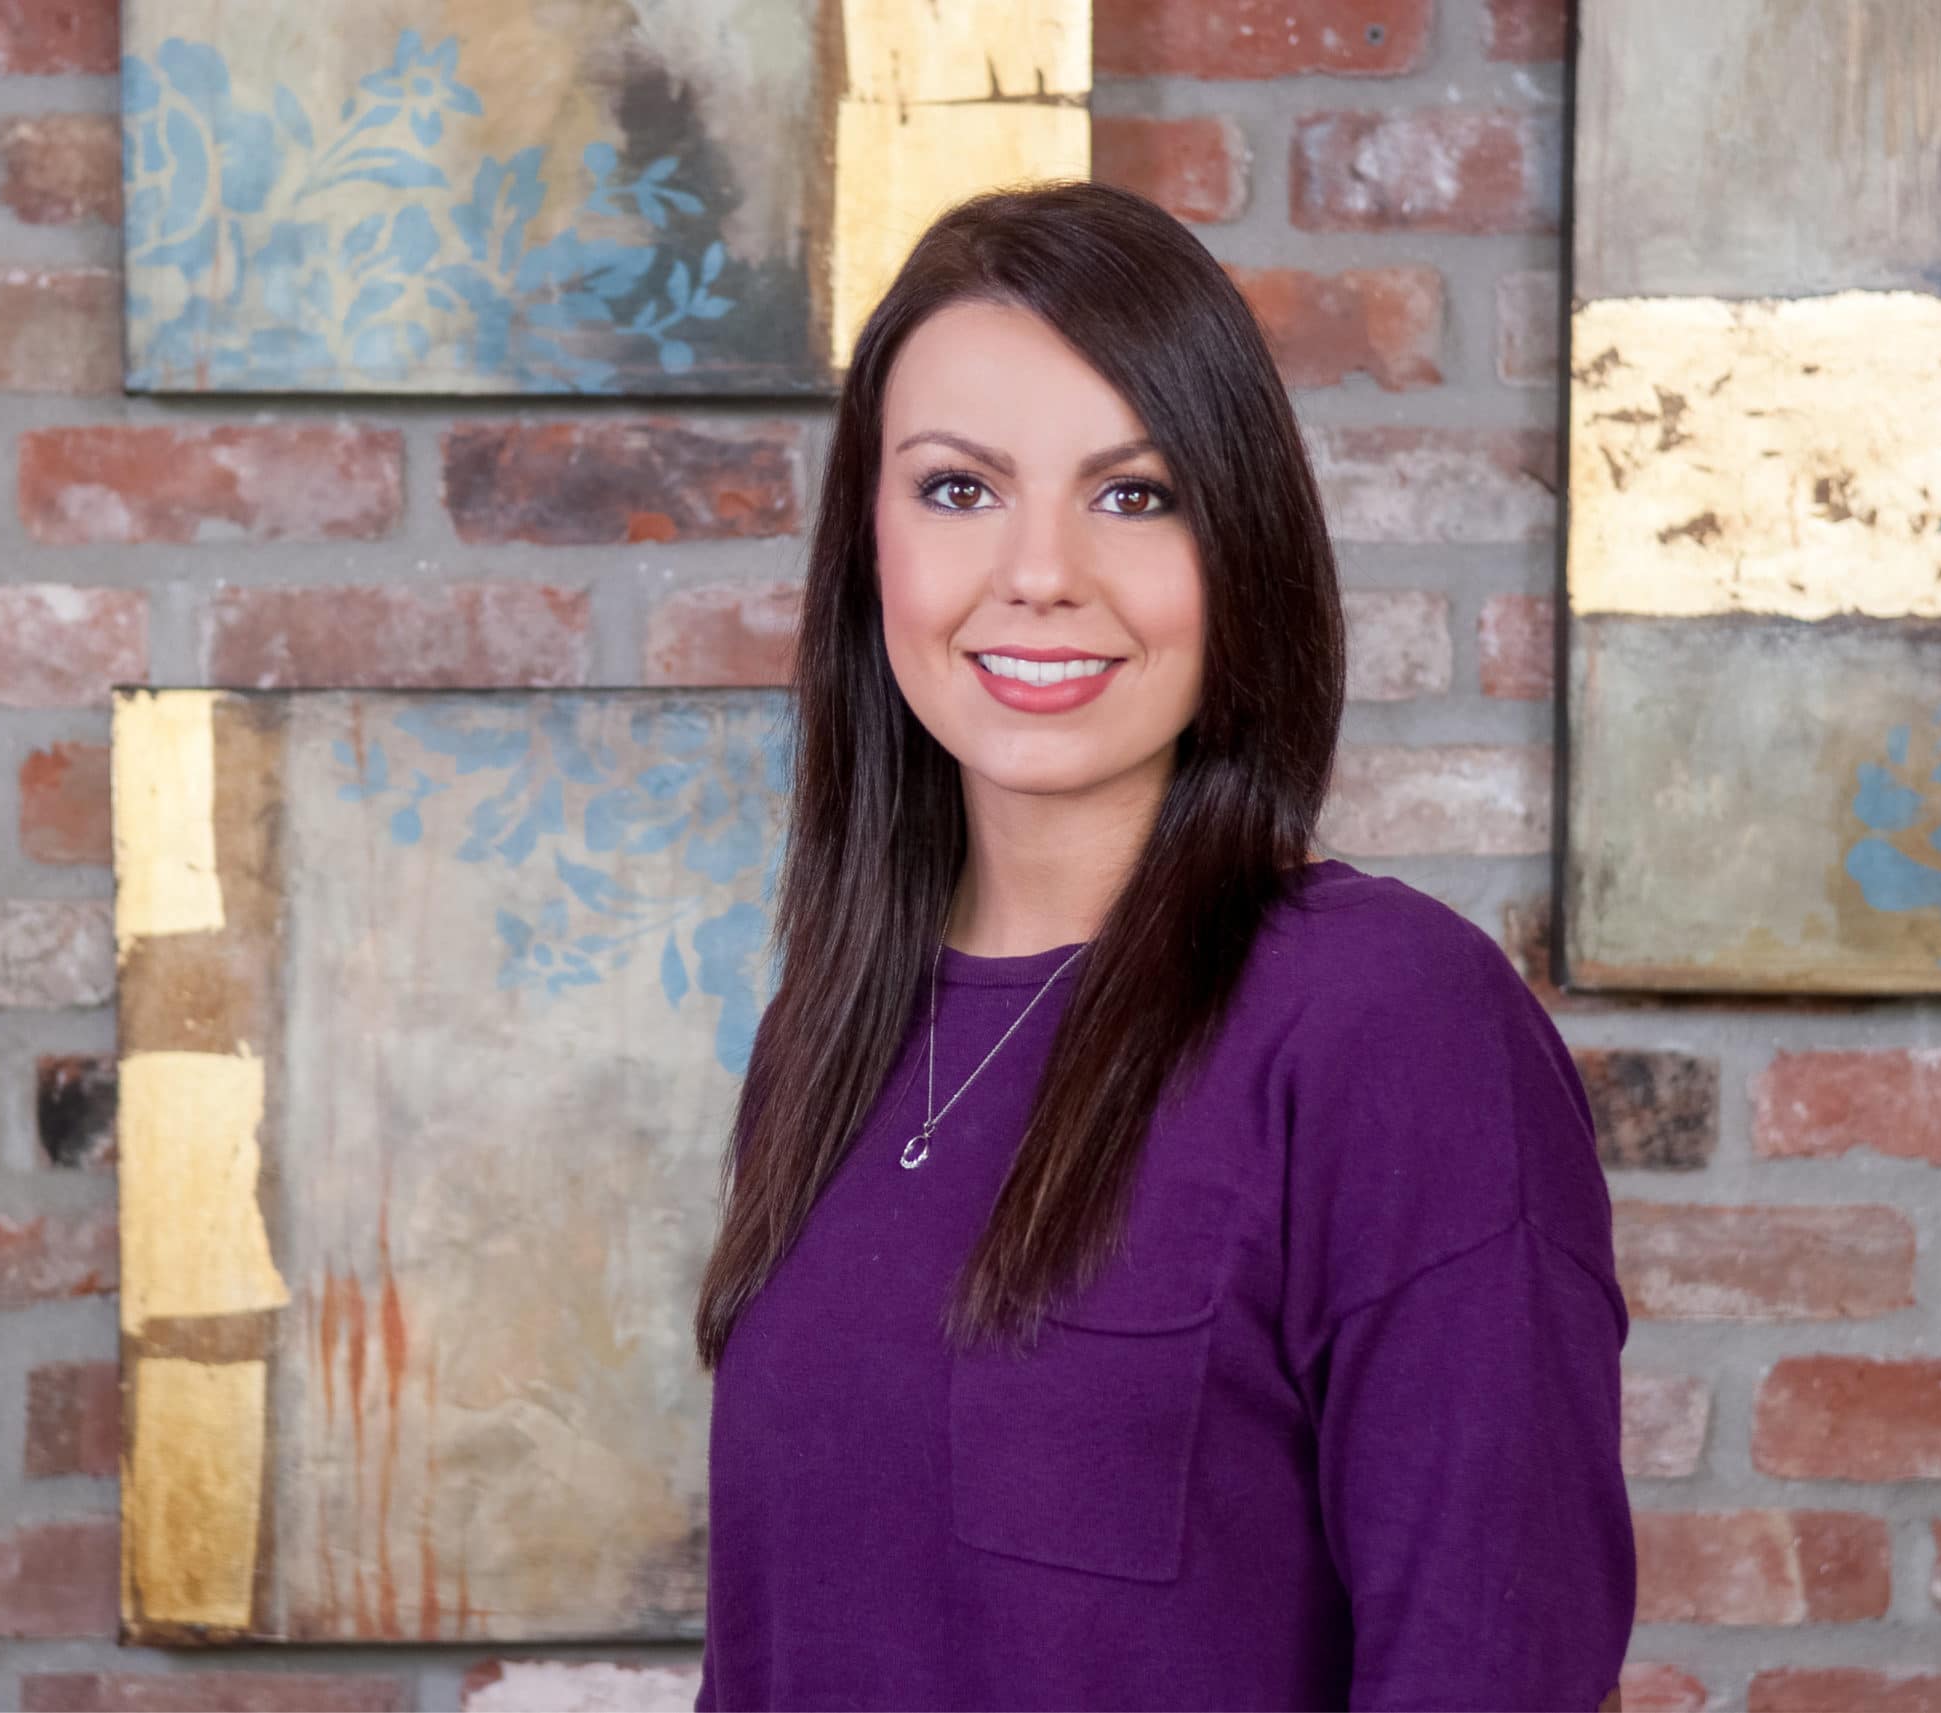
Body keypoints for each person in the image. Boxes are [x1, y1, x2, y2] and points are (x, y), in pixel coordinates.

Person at [688, 180, 1634, 1712]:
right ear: (872, 549)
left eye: (1135, 495)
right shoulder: (828, 1031)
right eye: (956, 489)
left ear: (1238, 547)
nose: (1041, 571)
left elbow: (1493, 1663)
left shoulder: (1390, 1023)